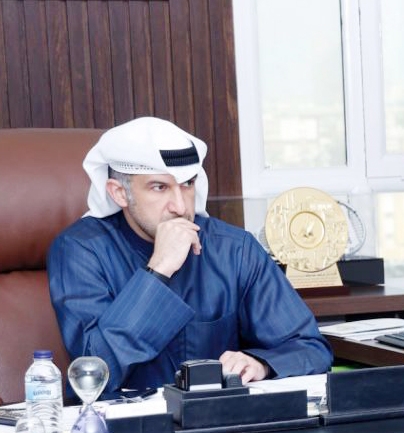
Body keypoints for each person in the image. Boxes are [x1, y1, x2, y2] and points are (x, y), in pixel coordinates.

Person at [48, 117, 332, 397]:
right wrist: (158, 270)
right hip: (123, 423)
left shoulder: (234, 249)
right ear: (119, 193)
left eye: (187, 184)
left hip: (215, 420)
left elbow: (310, 349)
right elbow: (95, 372)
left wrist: (261, 364)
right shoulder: (80, 250)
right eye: (159, 187)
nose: (180, 206)